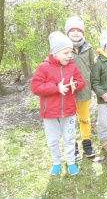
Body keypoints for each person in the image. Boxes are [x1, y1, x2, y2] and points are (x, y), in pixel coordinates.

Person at [30, 31, 86, 175]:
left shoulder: (72, 67)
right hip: (50, 113)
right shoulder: (43, 67)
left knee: (69, 138)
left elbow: (81, 81)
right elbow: (35, 87)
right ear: (55, 53)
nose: (69, 56)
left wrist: (76, 85)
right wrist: (56, 88)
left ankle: (71, 161)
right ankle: (56, 162)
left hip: (69, 111)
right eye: (65, 53)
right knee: (53, 140)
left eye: (70, 52)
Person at [65, 16, 95, 160]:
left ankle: (87, 143)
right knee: (70, 120)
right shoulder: (63, 49)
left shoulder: (89, 48)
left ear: (83, 32)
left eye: (79, 30)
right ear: (67, 33)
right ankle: (73, 146)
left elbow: (91, 68)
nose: (76, 33)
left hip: (84, 91)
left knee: (84, 119)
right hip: (68, 93)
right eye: (73, 30)